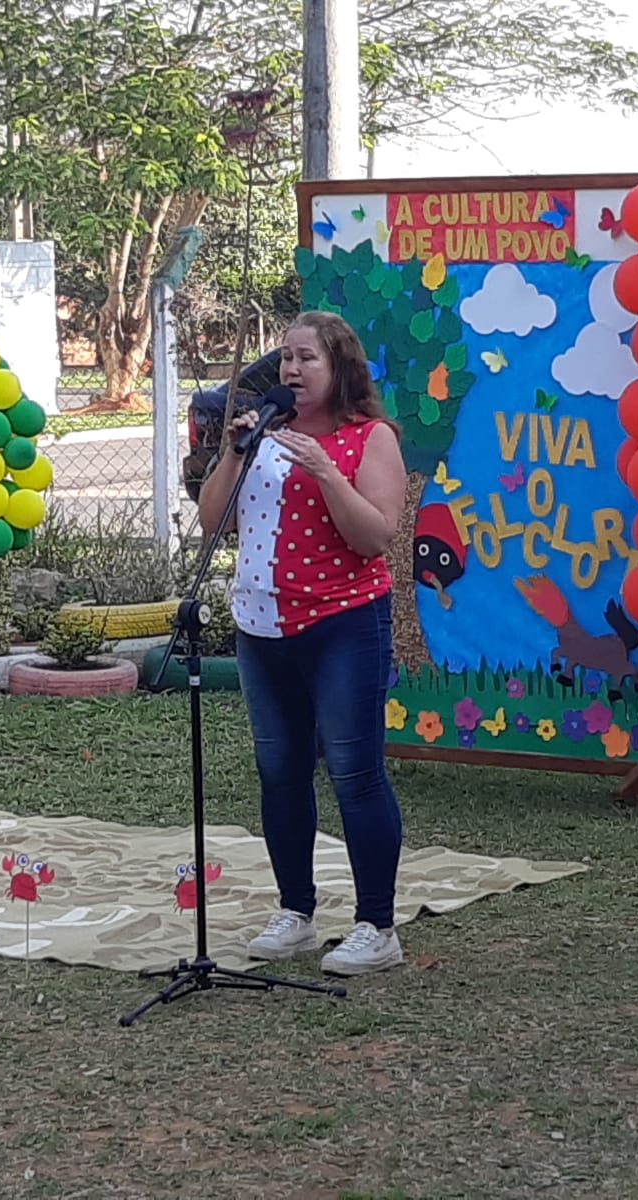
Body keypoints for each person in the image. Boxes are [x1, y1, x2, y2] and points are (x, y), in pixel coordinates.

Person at [197, 310, 409, 977]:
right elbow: (212, 523)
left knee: (354, 772)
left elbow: (374, 537)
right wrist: (234, 451)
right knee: (279, 771)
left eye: (306, 358)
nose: (290, 369)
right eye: (285, 358)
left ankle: (377, 924)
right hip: (261, 627)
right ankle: (296, 911)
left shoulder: (368, 439)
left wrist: (324, 471)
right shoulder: (262, 435)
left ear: (341, 367)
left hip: (343, 623)